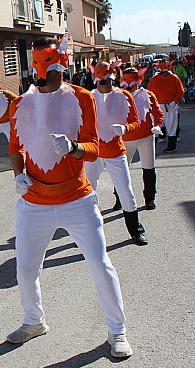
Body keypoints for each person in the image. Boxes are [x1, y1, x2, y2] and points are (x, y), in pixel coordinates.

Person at [7, 36, 133, 358]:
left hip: (77, 199)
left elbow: (93, 147)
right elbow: (15, 147)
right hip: (34, 203)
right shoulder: (21, 103)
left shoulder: (81, 98)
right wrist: (19, 174)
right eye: (40, 66)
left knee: (99, 263)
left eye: (50, 66)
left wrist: (75, 148)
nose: (46, 74)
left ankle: (117, 331)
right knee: (25, 268)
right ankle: (33, 320)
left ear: (61, 66)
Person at [85, 62, 147, 246]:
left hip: (115, 152)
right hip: (93, 152)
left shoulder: (124, 96)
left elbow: (135, 122)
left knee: (126, 191)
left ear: (112, 76)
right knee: (87, 192)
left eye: (106, 77)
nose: (103, 82)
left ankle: (136, 230)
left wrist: (125, 128)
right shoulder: (88, 97)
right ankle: (87, 233)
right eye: (99, 77)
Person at [115, 67, 164, 210]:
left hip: (145, 137)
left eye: (132, 81)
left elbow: (157, 112)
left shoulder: (147, 95)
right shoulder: (117, 96)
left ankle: (150, 198)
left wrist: (158, 125)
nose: (129, 86)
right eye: (126, 81)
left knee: (148, 168)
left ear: (139, 81)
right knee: (121, 171)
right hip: (125, 139)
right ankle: (120, 199)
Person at [148, 59, 185, 152]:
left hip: (170, 105)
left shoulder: (174, 77)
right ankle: (161, 138)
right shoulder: (154, 79)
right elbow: (149, 92)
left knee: (171, 124)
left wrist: (174, 101)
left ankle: (172, 145)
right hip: (158, 105)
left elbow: (180, 91)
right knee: (159, 123)